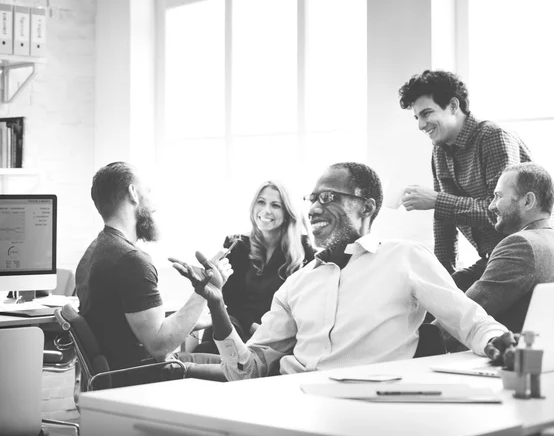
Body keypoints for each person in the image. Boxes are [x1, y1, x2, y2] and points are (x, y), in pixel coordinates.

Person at [170, 162, 516, 381]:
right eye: (313, 198)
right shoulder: (296, 284)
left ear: (366, 206)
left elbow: (470, 321)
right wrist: (216, 305)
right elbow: (244, 371)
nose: (316, 208)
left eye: (330, 197)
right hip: (288, 404)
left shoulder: (404, 257)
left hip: (369, 407)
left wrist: (500, 343)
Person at [76, 162, 228, 386]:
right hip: (146, 378)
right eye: (148, 191)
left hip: (123, 373)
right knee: (243, 371)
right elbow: (159, 345)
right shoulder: (130, 260)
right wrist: (206, 291)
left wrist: (198, 320)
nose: (154, 204)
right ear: (133, 193)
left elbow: (125, 327)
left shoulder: (94, 252)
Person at [398, 69, 532, 290]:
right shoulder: (439, 151)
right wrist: (442, 277)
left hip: (521, 257)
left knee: (462, 314)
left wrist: (437, 201)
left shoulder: (493, 138)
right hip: (492, 258)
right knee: (429, 301)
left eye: (426, 113)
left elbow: (503, 214)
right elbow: (444, 221)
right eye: (417, 117)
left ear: (452, 106)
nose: (421, 125)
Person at [436, 162, 554, 351]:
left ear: (527, 201)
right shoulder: (547, 241)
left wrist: (413, 343)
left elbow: (464, 317)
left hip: (500, 362)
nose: (491, 206)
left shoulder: (520, 244)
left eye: (498, 196)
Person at [195, 180, 314, 354]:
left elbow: (305, 307)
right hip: (241, 326)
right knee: (210, 347)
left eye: (275, 205)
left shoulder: (304, 251)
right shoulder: (236, 244)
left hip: (281, 335)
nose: (266, 210)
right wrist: (253, 327)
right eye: (261, 202)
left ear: (288, 212)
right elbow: (230, 301)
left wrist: (270, 333)